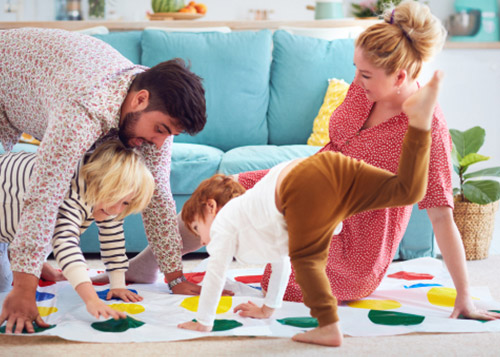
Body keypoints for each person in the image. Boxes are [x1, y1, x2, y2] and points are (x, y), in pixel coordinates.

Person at [233, 0, 500, 323]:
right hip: (312, 185)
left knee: (281, 281)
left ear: (399, 76)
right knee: (225, 188)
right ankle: (168, 271)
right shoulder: (365, 88)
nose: (356, 81)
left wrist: (464, 296)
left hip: (357, 244)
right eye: (357, 70)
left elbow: (442, 217)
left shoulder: (428, 127)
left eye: (365, 75)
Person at [177, 71, 444, 347]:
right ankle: (420, 125)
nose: (201, 240)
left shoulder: (225, 221)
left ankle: (328, 326)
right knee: (406, 191)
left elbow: (216, 275)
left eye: (197, 228)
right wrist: (268, 309)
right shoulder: (260, 222)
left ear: (211, 207)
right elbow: (280, 260)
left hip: (306, 183)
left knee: (307, 259)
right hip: (331, 167)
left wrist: (203, 321)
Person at [0, 27, 206, 334]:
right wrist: (25, 288)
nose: (160, 144)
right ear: (140, 100)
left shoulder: (154, 107)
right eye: (161, 130)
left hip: (44, 88)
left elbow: (158, 195)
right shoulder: (82, 110)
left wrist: (175, 277)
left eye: (170, 135)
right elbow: (45, 194)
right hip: (8, 73)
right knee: (10, 284)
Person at [0, 140, 155, 321]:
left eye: (125, 203)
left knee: (5, 282)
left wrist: (118, 284)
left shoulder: (104, 194)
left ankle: (17, 253)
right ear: (101, 181)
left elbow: (112, 236)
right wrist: (92, 300)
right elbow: (66, 244)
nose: (117, 210)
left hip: (14, 227)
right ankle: (15, 253)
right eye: (117, 199)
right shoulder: (70, 192)